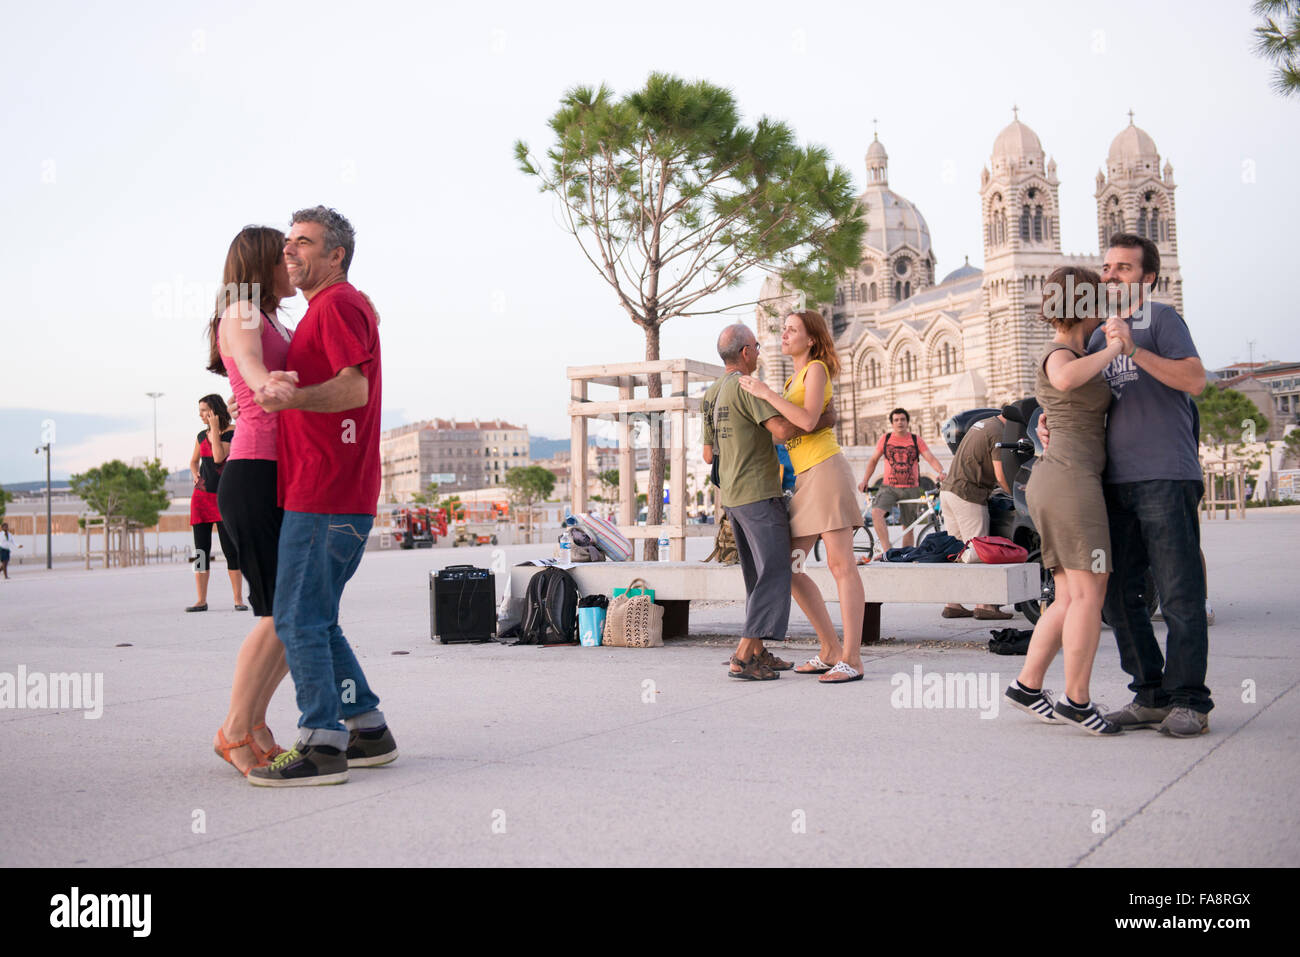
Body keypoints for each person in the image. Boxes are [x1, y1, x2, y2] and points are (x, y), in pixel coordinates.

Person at [248, 206, 397, 785]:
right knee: (317, 619)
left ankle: (321, 745)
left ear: (336, 255)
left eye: (304, 242)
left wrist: (292, 400)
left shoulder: (336, 304)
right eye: (289, 241)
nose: (290, 250)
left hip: (326, 492)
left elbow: (352, 389)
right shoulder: (329, 308)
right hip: (333, 491)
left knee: (297, 619)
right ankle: (368, 728)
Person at [1092, 234, 1211, 737]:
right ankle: (1151, 694)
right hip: (1116, 481)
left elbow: (1194, 379)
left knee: (1180, 592)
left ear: (1147, 278)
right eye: (1107, 266)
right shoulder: (1097, 338)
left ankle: (1190, 701)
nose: (1111, 274)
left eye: (1123, 267)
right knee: (1118, 596)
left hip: (1166, 474)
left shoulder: (1161, 319)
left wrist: (1135, 348)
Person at [1005, 266, 1123, 734]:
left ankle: (1028, 685)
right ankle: (1077, 700)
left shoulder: (1072, 351)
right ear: (1087, 305)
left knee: (1071, 594)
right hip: (1070, 482)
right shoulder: (1060, 353)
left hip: (1057, 481)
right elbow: (1067, 379)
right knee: (1091, 593)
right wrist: (1117, 348)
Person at [207, 225, 296, 776]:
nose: (293, 265)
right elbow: (250, 364)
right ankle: (234, 731)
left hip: (276, 473)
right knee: (276, 611)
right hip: (254, 472)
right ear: (262, 264)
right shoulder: (241, 312)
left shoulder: (269, 317)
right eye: (285, 257)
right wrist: (267, 381)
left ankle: (257, 724)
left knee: (292, 612)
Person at [739, 310, 867, 684]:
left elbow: (810, 420)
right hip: (807, 478)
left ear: (811, 338)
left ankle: (853, 658)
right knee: (787, 566)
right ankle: (829, 649)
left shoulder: (815, 370)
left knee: (841, 565)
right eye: (783, 328)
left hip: (826, 470)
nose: (784, 334)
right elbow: (787, 429)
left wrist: (765, 393)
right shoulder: (797, 376)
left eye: (792, 329)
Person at [701, 323, 834, 681]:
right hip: (759, 492)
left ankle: (759, 653)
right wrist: (825, 419)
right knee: (776, 570)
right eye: (757, 346)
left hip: (731, 496)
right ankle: (744, 654)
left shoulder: (711, 393)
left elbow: (708, 455)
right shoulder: (749, 388)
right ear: (745, 352)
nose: (759, 352)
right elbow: (786, 430)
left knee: (755, 576)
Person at [939, 414, 1013, 619]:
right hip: (968, 494)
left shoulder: (982, 424)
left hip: (948, 491)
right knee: (980, 550)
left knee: (957, 550)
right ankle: (985, 606)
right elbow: (1000, 475)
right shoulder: (999, 432)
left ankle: (953, 603)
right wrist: (1014, 494)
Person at [858, 408, 945, 558]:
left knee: (909, 526)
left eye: (902, 419)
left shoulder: (916, 440)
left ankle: (904, 556)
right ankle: (887, 551)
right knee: (876, 513)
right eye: (896, 420)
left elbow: (929, 457)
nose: (900, 423)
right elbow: (873, 460)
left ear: (907, 422)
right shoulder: (885, 439)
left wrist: (941, 471)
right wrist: (865, 480)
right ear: (892, 423)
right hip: (889, 488)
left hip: (911, 488)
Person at [187, 394, 244, 612]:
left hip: (224, 499)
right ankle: (201, 599)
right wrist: (194, 474)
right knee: (200, 551)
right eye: (199, 410)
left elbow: (219, 457)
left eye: (204, 411)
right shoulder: (201, 434)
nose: (200, 415)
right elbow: (193, 461)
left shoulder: (233, 433)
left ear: (214, 411)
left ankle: (238, 599)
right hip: (201, 499)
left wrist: (215, 431)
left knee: (231, 550)